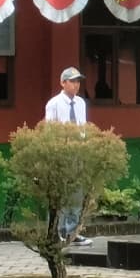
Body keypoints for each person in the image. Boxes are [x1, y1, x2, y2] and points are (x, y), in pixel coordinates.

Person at [43, 66, 91, 245]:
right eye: (72, 81)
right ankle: (57, 231)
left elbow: (82, 127)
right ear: (63, 83)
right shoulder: (54, 103)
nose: (76, 85)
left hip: (77, 152)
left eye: (78, 82)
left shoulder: (80, 103)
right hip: (61, 152)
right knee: (60, 194)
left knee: (76, 194)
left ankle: (73, 232)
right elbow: (49, 129)